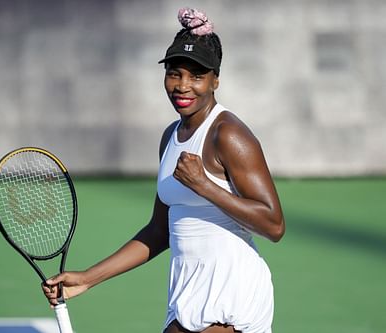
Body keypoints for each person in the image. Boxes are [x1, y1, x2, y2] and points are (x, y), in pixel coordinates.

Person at [42, 7, 285, 333]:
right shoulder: (169, 138)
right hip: (186, 290)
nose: (183, 85)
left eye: (197, 76)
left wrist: (205, 186)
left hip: (230, 289)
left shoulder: (228, 134)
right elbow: (159, 231)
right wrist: (87, 279)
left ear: (216, 80)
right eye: (174, 73)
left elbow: (274, 224)